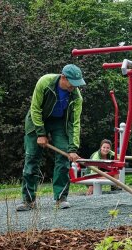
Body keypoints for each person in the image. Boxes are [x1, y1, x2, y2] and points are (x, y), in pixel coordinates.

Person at [16, 64, 86, 211]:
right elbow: (35, 109)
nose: (74, 87)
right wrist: (41, 133)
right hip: (37, 120)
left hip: (59, 123)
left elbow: (75, 123)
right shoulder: (45, 82)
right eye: (72, 83)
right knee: (32, 158)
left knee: (64, 156)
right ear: (63, 77)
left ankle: (61, 198)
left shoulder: (76, 96)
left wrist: (73, 149)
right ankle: (28, 200)